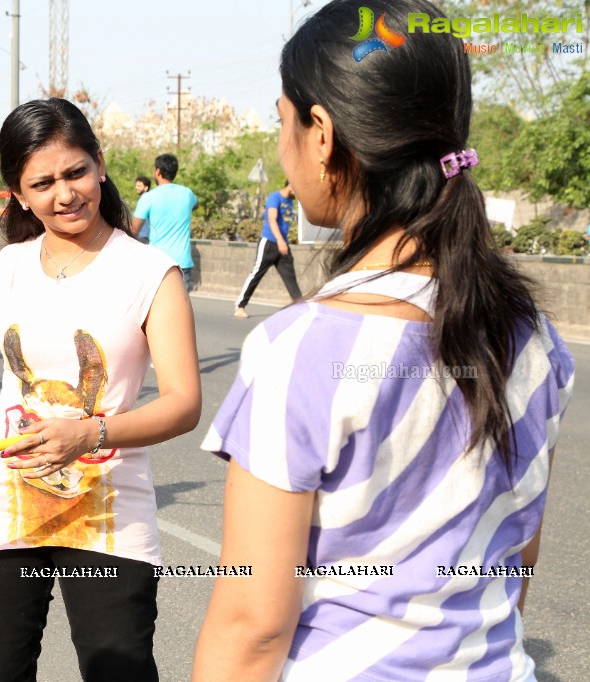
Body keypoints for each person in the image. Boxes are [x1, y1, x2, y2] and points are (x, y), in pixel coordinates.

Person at [192, 1, 575, 680]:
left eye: (283, 122)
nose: (281, 147)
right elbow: (516, 556)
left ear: (320, 133)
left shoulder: (301, 350)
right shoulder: (533, 334)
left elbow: (252, 626)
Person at [0, 98, 202, 680]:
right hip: (3, 506)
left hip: (108, 516)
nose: (65, 194)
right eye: (42, 183)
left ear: (100, 165)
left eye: (75, 172)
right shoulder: (13, 266)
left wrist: (92, 432)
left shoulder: (150, 272)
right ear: (20, 194)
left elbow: (183, 404)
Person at [233, 180, 302, 318]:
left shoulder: (289, 201)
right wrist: (280, 240)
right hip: (269, 243)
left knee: (290, 277)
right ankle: (240, 306)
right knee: (257, 273)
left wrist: (283, 243)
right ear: (291, 185)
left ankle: (300, 306)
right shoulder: (274, 197)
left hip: (283, 245)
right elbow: (272, 220)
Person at [131, 153, 197, 291]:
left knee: (156, 309)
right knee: (181, 310)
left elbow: (132, 231)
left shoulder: (148, 197)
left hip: (158, 263)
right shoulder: (187, 194)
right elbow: (195, 205)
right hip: (183, 263)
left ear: (158, 171)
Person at [132, 175, 152, 243]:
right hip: (144, 236)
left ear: (146, 188)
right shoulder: (148, 199)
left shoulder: (146, 200)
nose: (136, 188)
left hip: (144, 237)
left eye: (139, 186)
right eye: (136, 185)